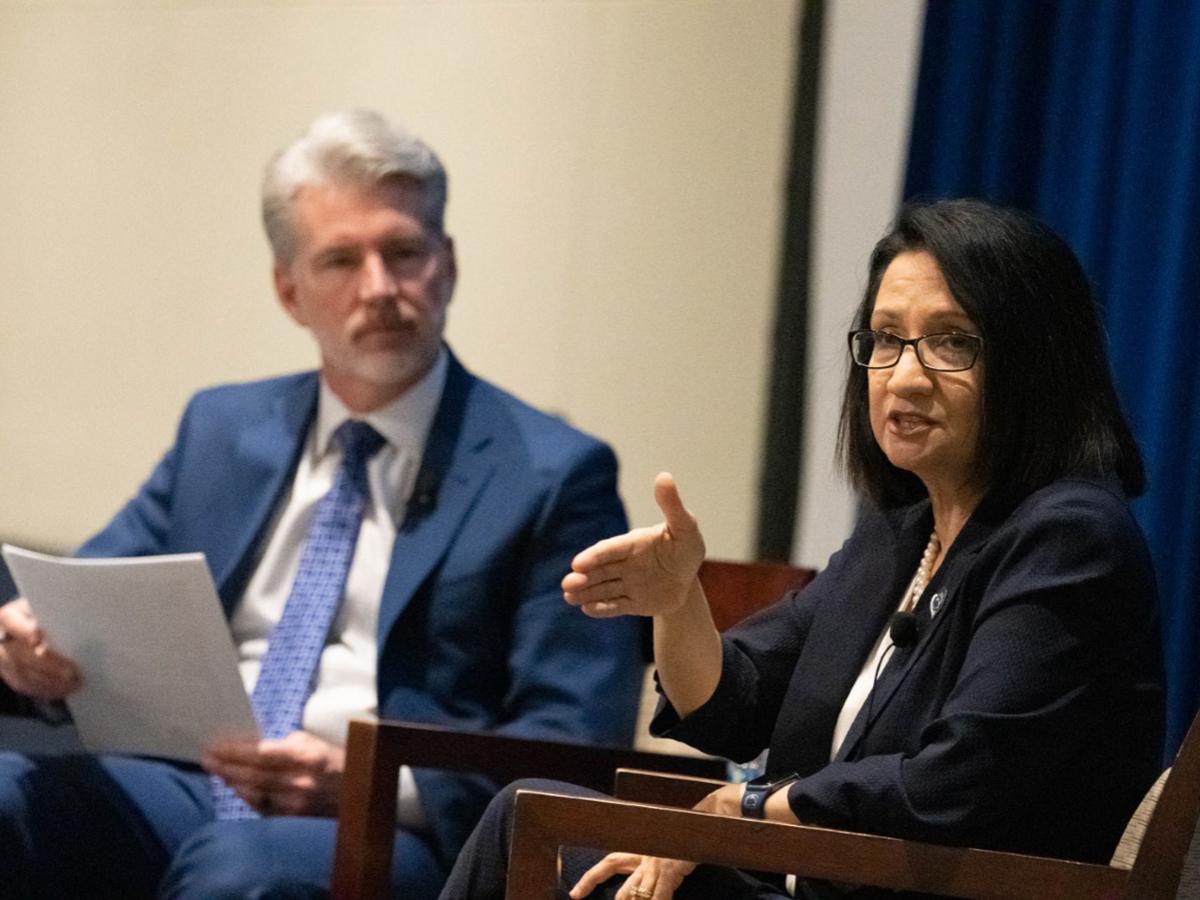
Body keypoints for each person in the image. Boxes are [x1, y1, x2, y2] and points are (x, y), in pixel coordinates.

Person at [440, 199, 1164, 899]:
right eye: (885, 338)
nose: (904, 375)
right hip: (797, 882)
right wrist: (677, 600)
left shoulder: (1070, 540)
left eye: (952, 342)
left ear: (1035, 361)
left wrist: (739, 813)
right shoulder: (901, 532)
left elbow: (950, 786)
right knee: (533, 818)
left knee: (531, 827)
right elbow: (738, 703)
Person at [0, 109, 642, 899]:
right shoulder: (223, 429)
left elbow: (575, 742)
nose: (380, 288)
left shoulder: (553, 474)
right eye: (341, 259)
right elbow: (86, 594)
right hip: (185, 781)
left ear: (447, 265)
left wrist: (363, 785)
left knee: (242, 879)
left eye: (404, 252)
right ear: (288, 291)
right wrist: (29, 642)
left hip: (391, 826)